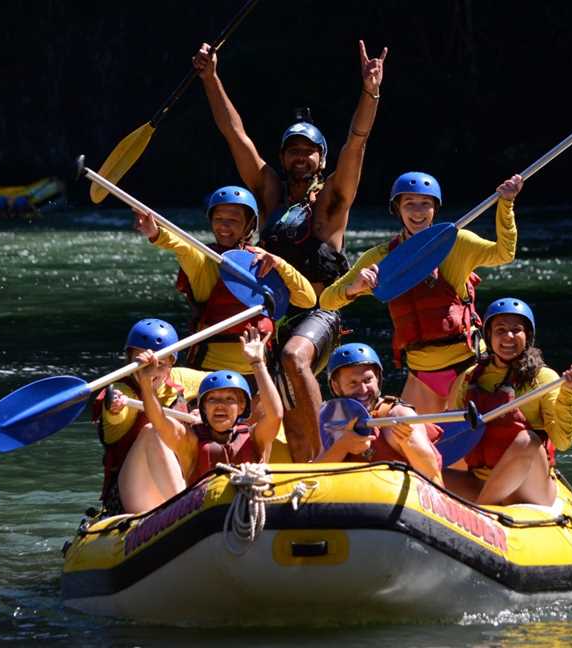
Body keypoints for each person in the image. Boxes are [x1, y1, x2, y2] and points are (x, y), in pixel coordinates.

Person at [191, 39, 387, 461]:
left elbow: (358, 141)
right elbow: (234, 133)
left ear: (321, 158)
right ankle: (298, 471)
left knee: (298, 359)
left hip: (321, 311)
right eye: (293, 151)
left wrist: (370, 91)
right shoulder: (269, 192)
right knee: (294, 428)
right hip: (274, 316)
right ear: (283, 157)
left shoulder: (334, 197)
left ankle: (333, 450)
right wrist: (210, 78)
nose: (301, 157)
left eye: (309, 151)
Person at [319, 172, 523, 414]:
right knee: (408, 443)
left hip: (466, 365)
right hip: (421, 372)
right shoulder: (381, 258)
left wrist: (506, 205)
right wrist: (355, 288)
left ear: (435, 208)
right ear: (398, 209)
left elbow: (503, 253)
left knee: (468, 443)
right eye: (409, 204)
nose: (418, 211)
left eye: (425, 203)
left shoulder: (459, 243)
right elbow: (327, 300)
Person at [133, 186, 315, 429]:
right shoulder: (204, 260)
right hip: (208, 374)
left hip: (258, 371)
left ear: (249, 224)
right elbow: (183, 246)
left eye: (233, 220)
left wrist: (280, 264)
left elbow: (308, 300)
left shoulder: (262, 262)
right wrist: (156, 233)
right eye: (218, 219)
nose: (224, 226)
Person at [118, 325, 282, 514]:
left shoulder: (256, 438)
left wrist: (258, 363)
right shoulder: (191, 442)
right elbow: (158, 421)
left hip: (249, 512)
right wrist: (147, 384)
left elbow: (275, 414)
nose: (221, 405)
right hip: (200, 518)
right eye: (212, 400)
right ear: (202, 408)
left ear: (242, 407)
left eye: (229, 400)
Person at [443, 298, 572, 506]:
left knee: (526, 440)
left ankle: (481, 512)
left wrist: (569, 393)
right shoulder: (469, 378)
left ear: (527, 336)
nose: (509, 336)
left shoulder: (544, 379)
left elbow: (563, 441)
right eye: (500, 330)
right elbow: (451, 436)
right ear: (489, 336)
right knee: (422, 470)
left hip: (529, 487)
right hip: (481, 481)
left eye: (516, 330)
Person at [92, 318, 206, 514]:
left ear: (172, 363)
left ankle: (189, 505)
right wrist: (114, 408)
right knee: (154, 430)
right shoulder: (121, 392)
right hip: (132, 491)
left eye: (161, 364)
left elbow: (225, 388)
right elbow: (115, 416)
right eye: (144, 366)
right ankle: (186, 511)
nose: (153, 372)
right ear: (129, 362)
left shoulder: (181, 378)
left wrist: (206, 409)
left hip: (179, 479)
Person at [317, 343, 443, 484]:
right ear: (336, 386)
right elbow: (311, 476)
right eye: (353, 383)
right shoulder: (333, 421)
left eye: (368, 380)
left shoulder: (397, 415)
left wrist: (408, 445)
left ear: (377, 378)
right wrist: (342, 446)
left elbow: (433, 476)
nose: (363, 390)